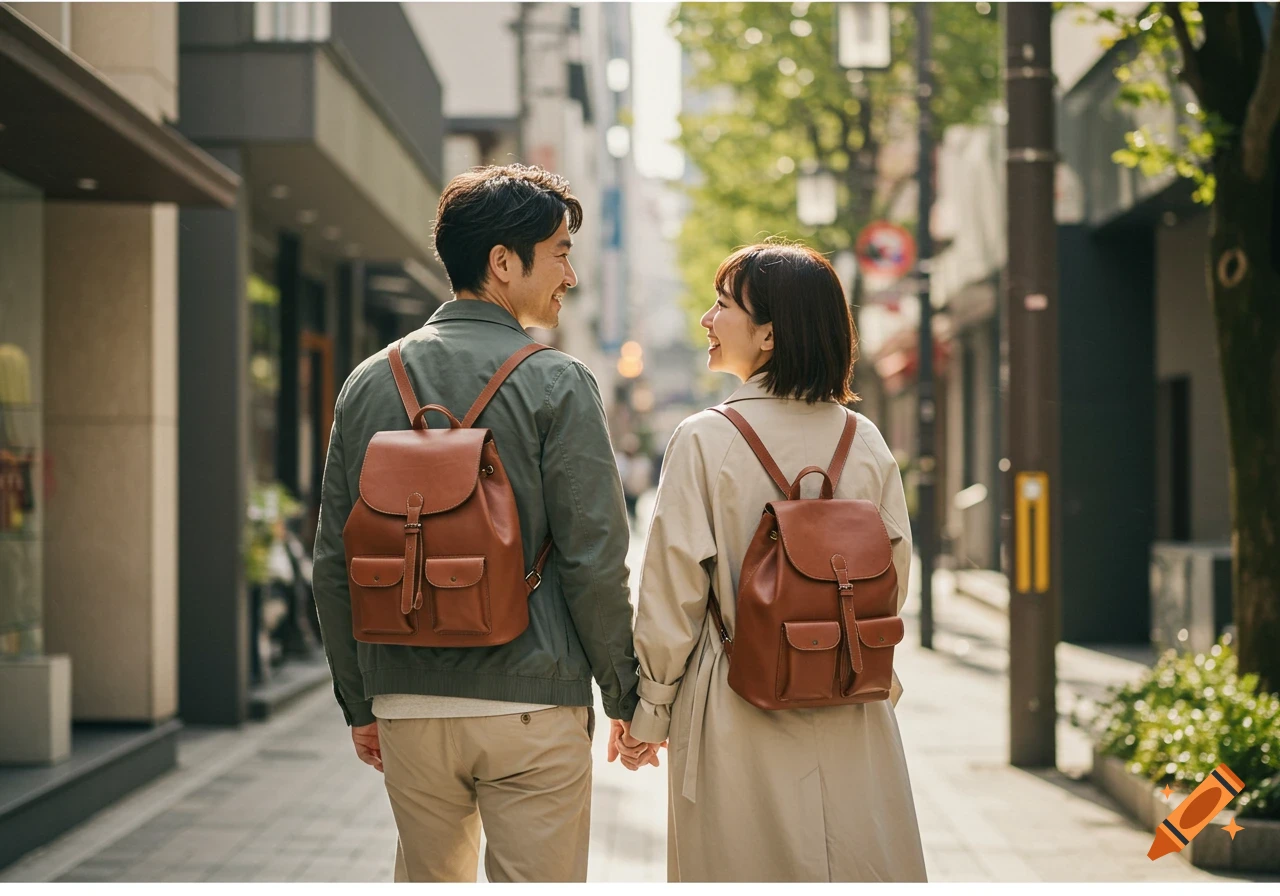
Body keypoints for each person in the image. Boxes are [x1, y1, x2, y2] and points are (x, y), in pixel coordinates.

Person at [312, 164, 641, 883]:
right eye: (559, 252)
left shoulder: (369, 381)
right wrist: (625, 695)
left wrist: (360, 702)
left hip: (407, 704)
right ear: (502, 262)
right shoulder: (557, 381)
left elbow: (333, 562)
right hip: (533, 702)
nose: (571, 275)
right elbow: (593, 557)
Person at [612, 242, 928, 881]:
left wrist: (647, 713)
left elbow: (673, 591)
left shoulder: (705, 438)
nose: (706, 318)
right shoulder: (862, 439)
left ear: (768, 334)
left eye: (723, 304)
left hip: (736, 698)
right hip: (847, 694)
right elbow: (893, 574)